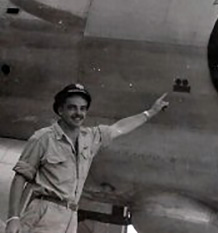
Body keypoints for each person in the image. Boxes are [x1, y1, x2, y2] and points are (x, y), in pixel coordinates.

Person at [5, 83, 169, 233]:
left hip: (70, 216)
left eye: (83, 109)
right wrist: (13, 218)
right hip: (44, 211)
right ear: (60, 110)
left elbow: (119, 128)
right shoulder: (43, 138)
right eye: (72, 108)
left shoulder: (90, 138)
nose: (79, 113)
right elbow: (20, 178)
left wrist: (150, 112)